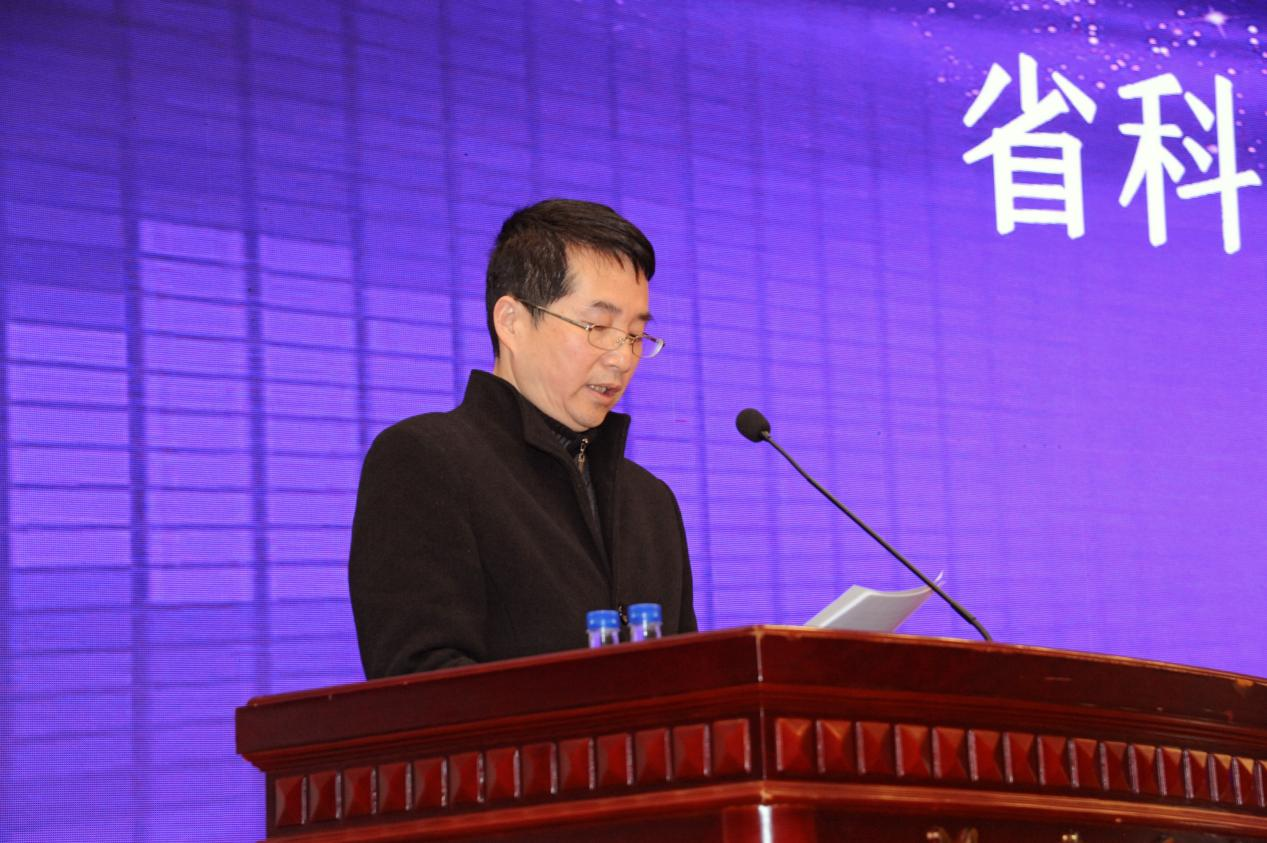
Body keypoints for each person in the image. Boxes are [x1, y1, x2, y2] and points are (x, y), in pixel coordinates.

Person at [348, 199, 698, 677]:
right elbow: (421, 683)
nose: (622, 358)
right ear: (511, 321)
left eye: (635, 335)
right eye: (598, 327)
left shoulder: (651, 504)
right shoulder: (426, 462)